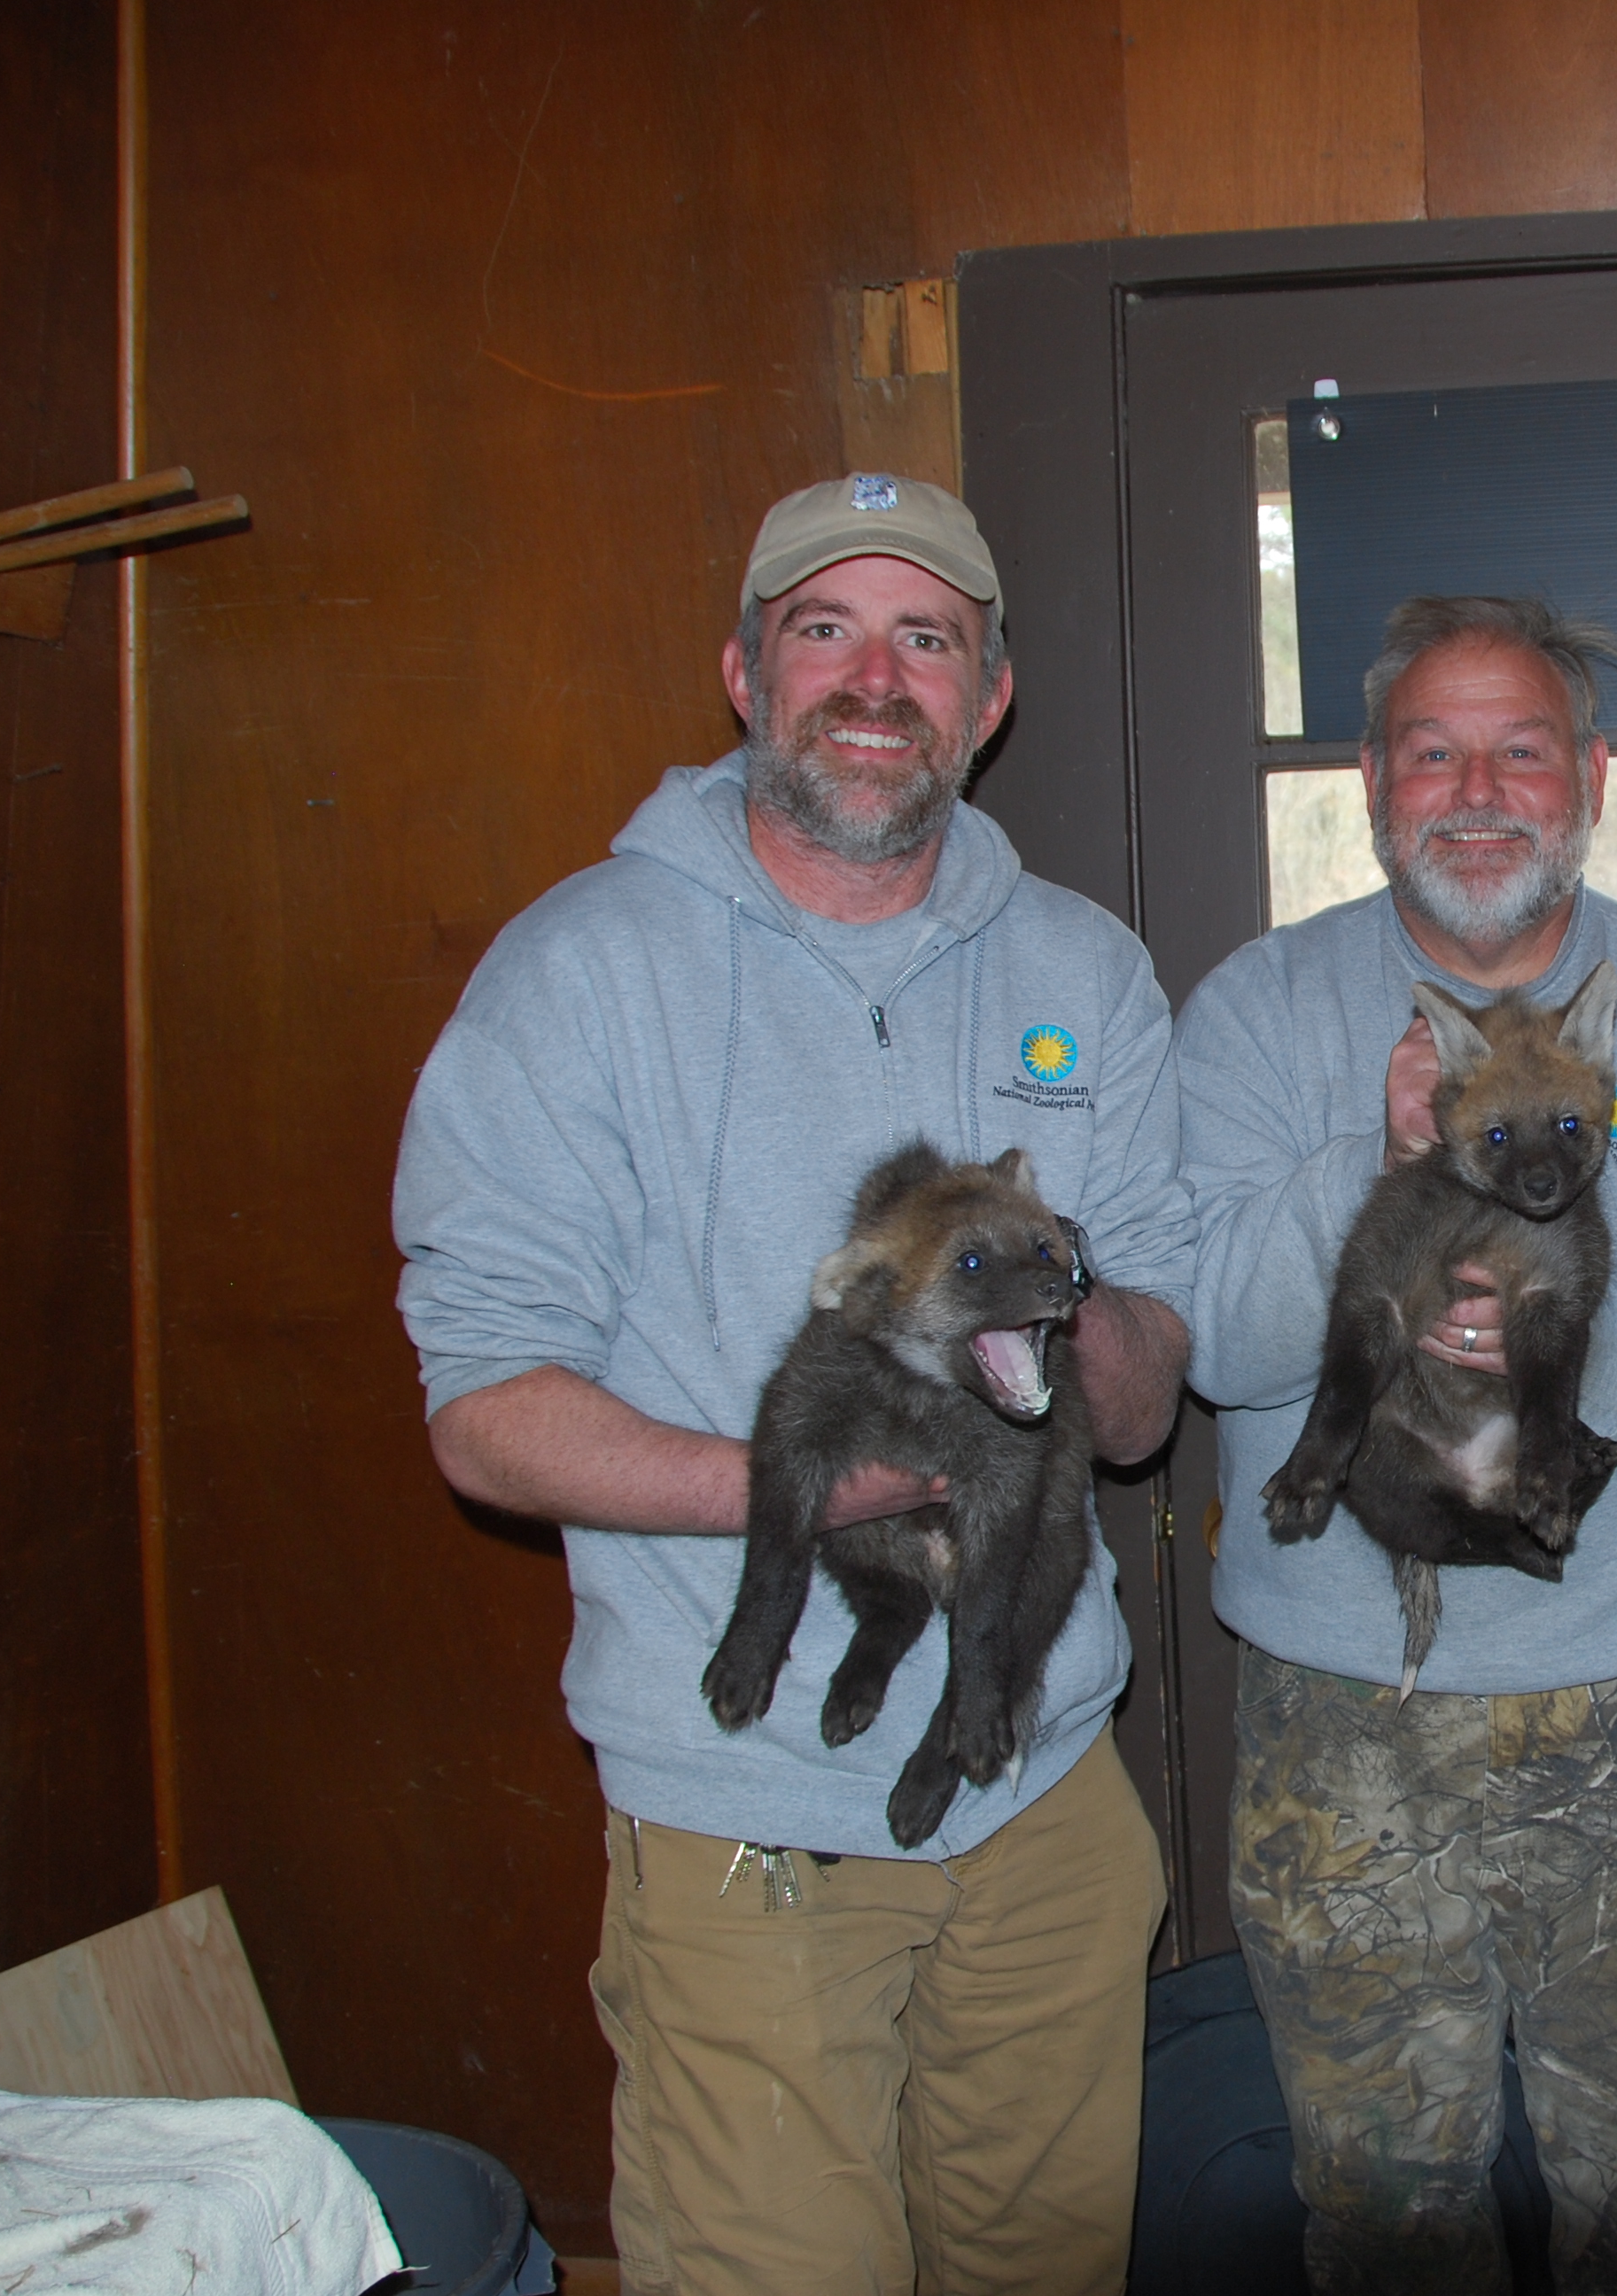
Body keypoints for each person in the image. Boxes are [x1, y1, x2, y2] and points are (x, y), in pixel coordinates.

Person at [392, 474, 1193, 2296]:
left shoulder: (1083, 969)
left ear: (988, 698)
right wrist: (807, 1496)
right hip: (749, 1808)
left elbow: (1145, 1393)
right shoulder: (580, 975)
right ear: (744, 674)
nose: (872, 676)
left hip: (1047, 1799)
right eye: (823, 629)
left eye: (927, 638)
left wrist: (1085, 1334)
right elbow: (486, 1404)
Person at [1177, 595, 1617, 2293]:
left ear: (1591, 777)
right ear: (1373, 784)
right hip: (1348, 1715)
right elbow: (1211, 1345)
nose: (1477, 786)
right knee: (1388, 2219)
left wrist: (1578, 1325)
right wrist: (1375, 1168)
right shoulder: (1256, 1013)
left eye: (1520, 747)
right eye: (1432, 750)